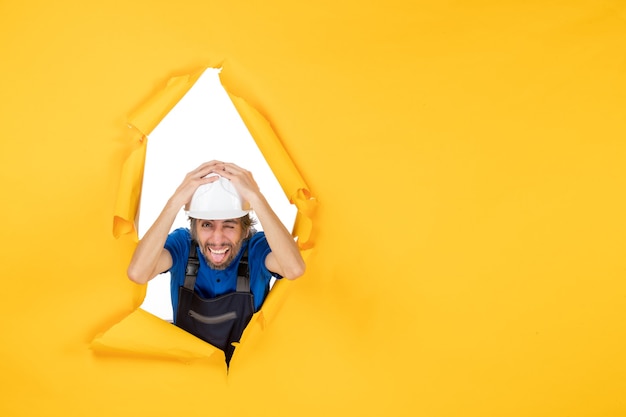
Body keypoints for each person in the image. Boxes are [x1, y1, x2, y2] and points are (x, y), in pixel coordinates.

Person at [127, 160, 305, 364]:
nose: (217, 239)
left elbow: (294, 268)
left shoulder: (257, 248)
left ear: (245, 229)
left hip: (246, 375)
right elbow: (138, 273)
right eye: (207, 225)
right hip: (190, 374)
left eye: (229, 225)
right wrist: (174, 202)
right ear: (194, 228)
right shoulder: (183, 245)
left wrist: (256, 197)